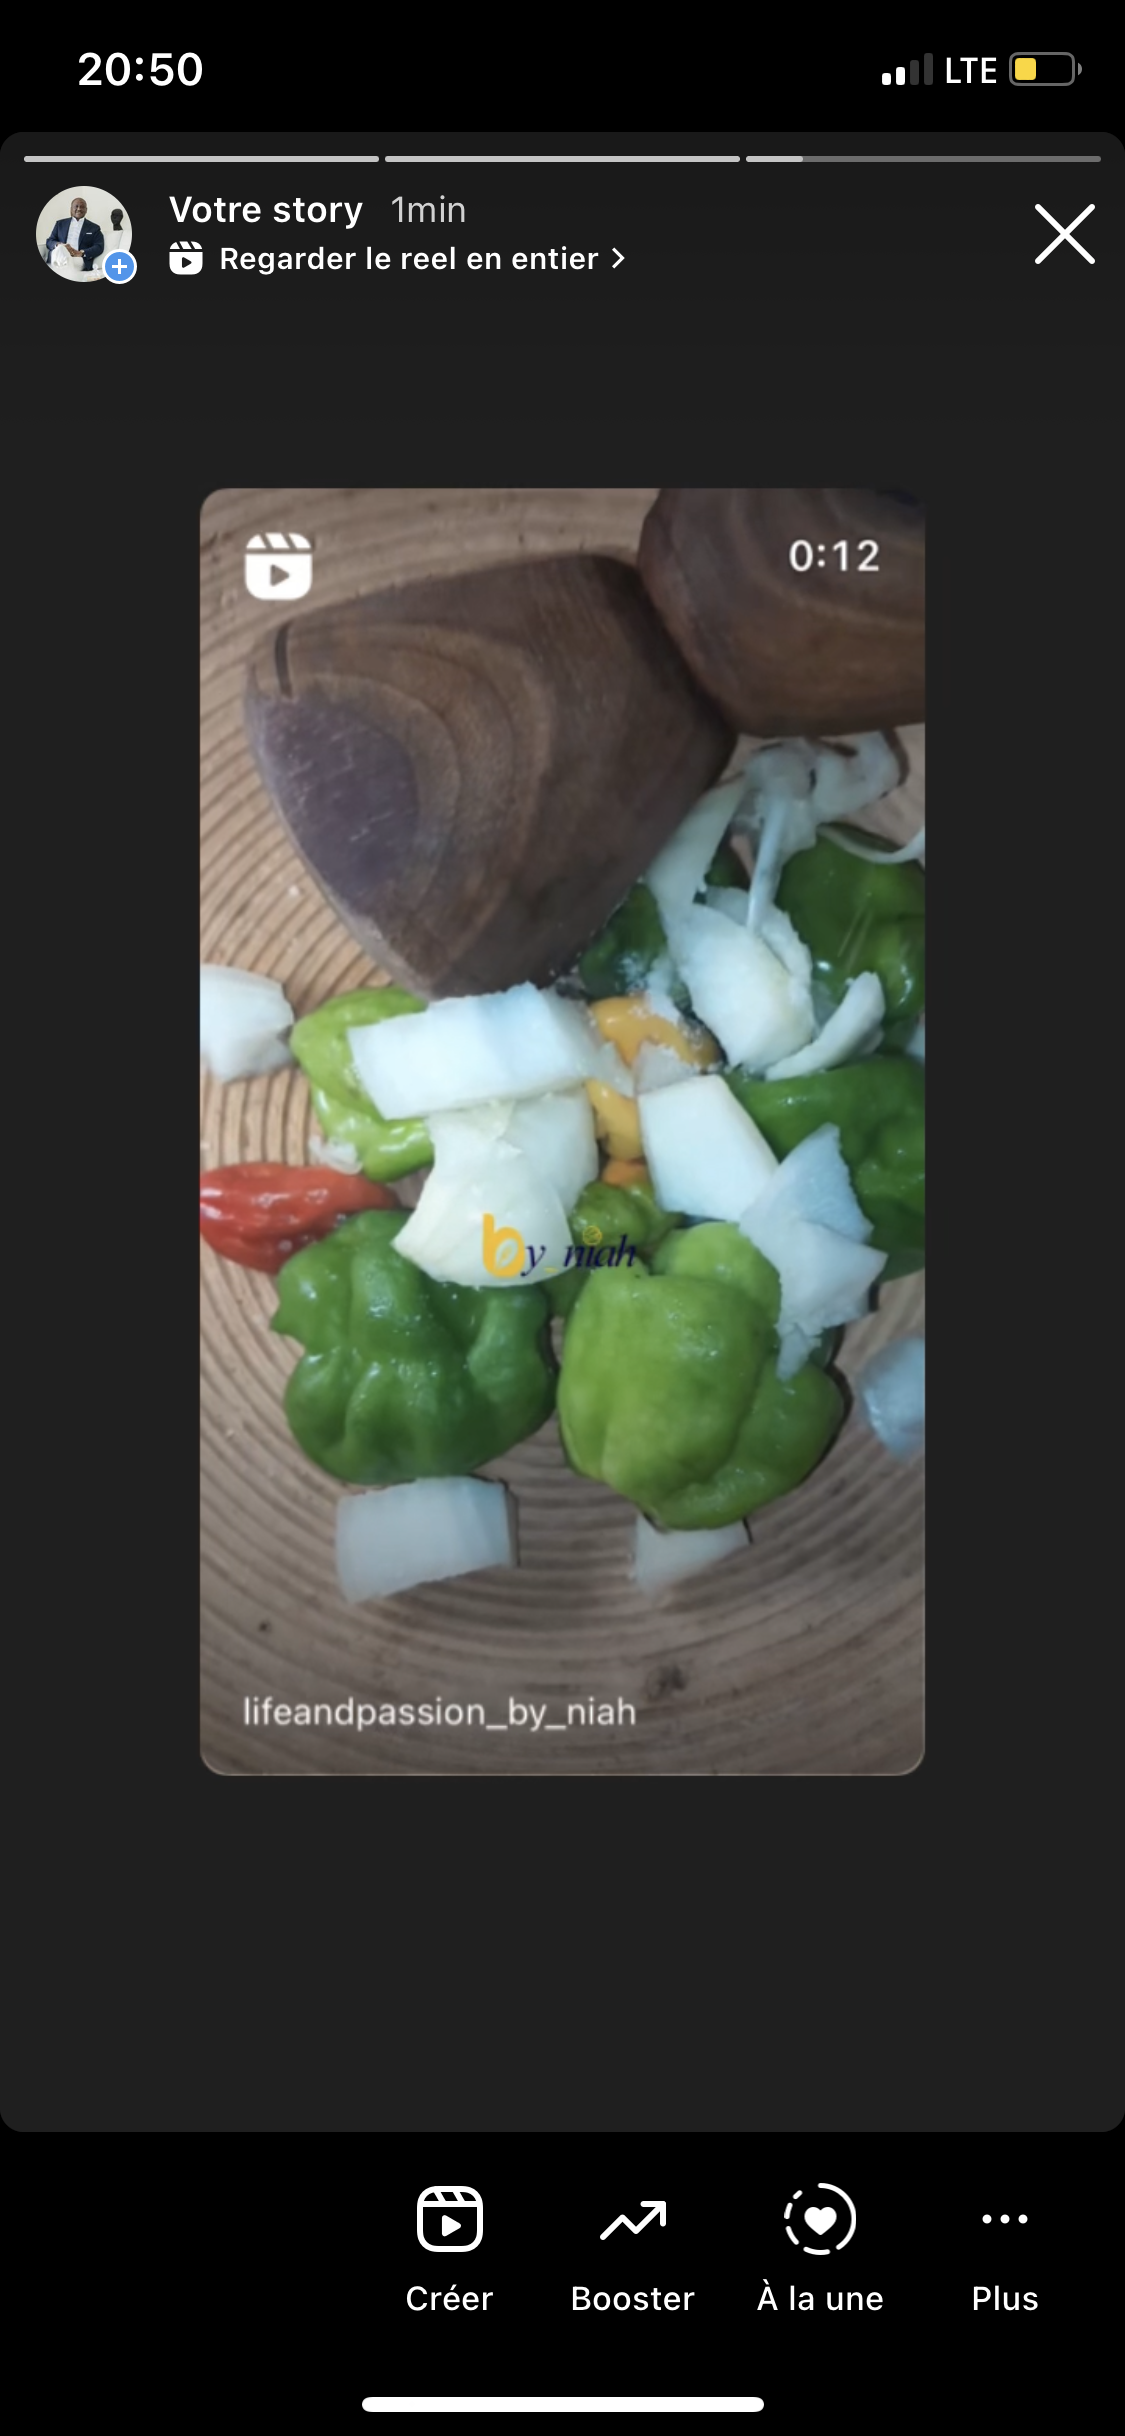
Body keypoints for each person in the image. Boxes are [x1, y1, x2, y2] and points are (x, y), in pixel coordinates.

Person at [45, 198, 104, 277]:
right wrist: (60, 245)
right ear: (71, 209)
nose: (79, 209)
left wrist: (81, 253)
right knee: (61, 248)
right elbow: (49, 241)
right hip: (59, 253)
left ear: (86, 210)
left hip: (78, 258)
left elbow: (99, 246)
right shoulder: (60, 224)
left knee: (61, 254)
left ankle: (60, 269)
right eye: (76, 206)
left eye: (82, 207)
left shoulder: (94, 227)